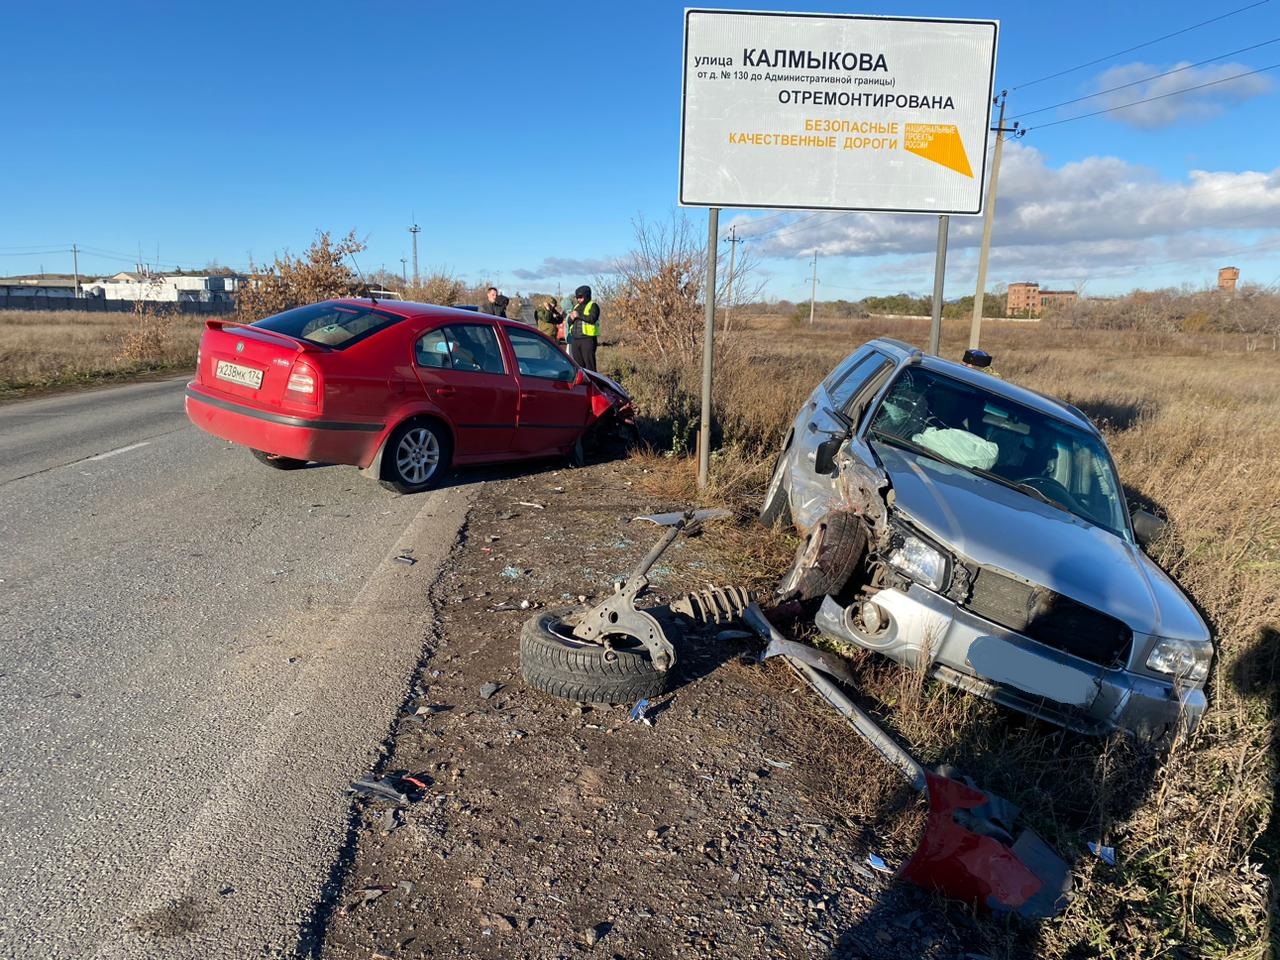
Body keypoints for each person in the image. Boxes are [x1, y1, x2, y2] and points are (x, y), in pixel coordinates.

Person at [567, 284, 600, 371]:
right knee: (578, 366)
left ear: (586, 295)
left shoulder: (593, 306)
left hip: (587, 339)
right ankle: (582, 384)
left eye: (581, 297)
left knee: (589, 365)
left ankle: (593, 383)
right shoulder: (576, 306)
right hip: (575, 339)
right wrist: (571, 318)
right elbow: (569, 322)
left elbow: (592, 318)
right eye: (577, 297)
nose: (579, 299)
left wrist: (579, 315)